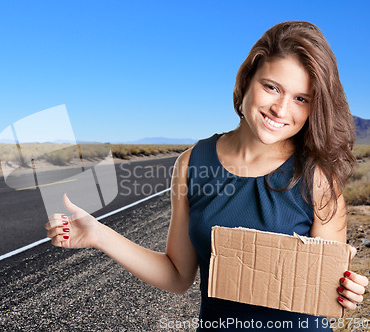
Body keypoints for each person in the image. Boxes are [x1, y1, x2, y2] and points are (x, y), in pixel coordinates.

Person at [45, 21, 368, 331]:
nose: (281, 109)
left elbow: (326, 291)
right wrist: (99, 235)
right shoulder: (192, 163)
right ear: (246, 82)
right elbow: (177, 276)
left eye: (301, 99)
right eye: (271, 87)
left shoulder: (318, 177)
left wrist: (345, 291)